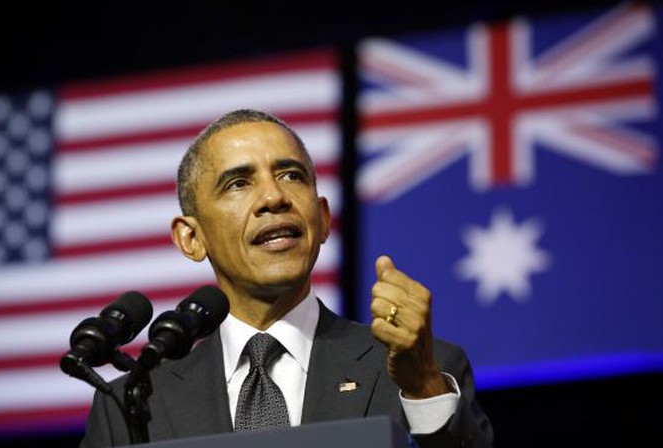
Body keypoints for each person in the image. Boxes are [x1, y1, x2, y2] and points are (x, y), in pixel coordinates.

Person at [79, 109, 494, 447]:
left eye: (291, 175)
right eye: (239, 183)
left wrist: (422, 386)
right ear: (191, 238)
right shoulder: (132, 403)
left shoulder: (423, 371)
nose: (275, 197)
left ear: (324, 218)